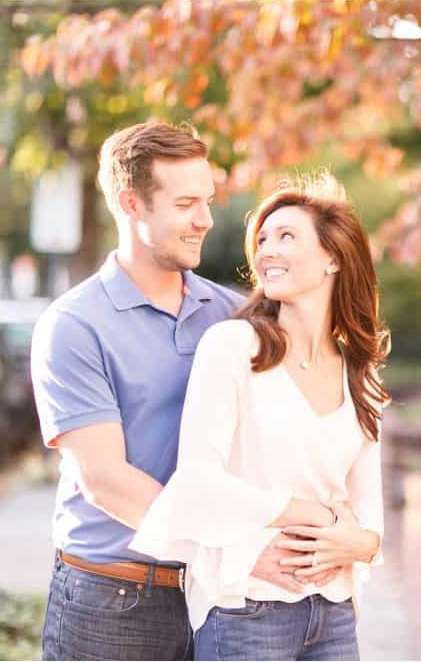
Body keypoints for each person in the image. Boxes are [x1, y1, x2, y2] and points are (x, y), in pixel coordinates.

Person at [30, 122, 332, 661]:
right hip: (115, 601)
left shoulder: (234, 313)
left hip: (225, 598)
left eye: (209, 201)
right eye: (187, 202)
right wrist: (235, 548)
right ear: (132, 203)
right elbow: (105, 481)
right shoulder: (74, 325)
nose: (205, 220)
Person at [129, 171, 390, 661]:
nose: (267, 250)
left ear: (333, 256)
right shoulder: (234, 347)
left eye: (286, 236)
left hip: (332, 612)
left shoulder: (361, 375)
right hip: (246, 606)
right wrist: (315, 515)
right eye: (262, 239)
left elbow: (371, 517)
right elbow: (200, 481)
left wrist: (356, 545)